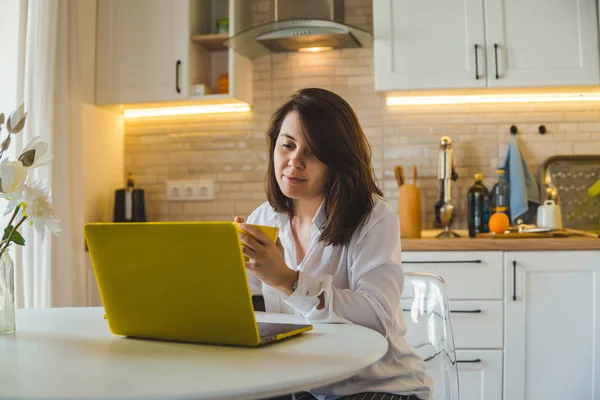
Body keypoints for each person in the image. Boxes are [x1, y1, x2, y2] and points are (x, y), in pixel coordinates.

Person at [234, 88, 433, 400]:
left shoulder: (374, 217)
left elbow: (377, 317)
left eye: (311, 153)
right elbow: (240, 303)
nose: (293, 162)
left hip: (376, 384)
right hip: (297, 384)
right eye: (287, 145)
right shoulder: (264, 218)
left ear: (336, 161)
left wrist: (287, 280)